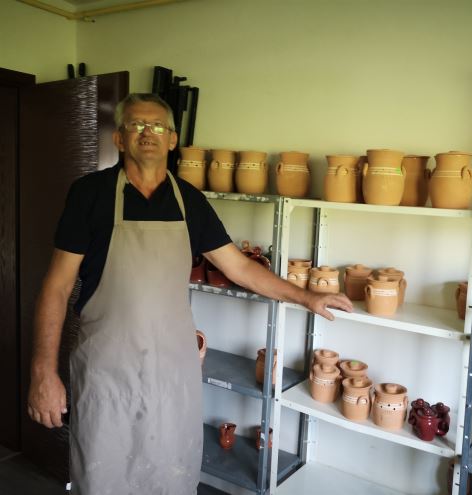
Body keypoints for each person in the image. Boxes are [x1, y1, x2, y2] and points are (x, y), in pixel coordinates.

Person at [27, 93, 353, 495]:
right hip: (107, 366)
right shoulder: (89, 194)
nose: (147, 133)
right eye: (136, 125)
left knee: (170, 472)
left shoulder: (190, 201)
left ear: (172, 139)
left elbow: (240, 268)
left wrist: (307, 297)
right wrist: (43, 372)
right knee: (102, 472)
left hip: (173, 368)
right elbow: (56, 287)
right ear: (120, 138)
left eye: (157, 126)